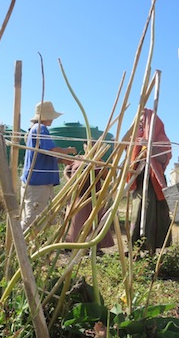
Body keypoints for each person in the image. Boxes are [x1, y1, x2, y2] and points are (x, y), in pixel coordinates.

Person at [20, 101, 76, 230]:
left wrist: (62, 161)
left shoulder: (34, 129)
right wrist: (68, 151)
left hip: (36, 182)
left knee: (39, 218)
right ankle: (19, 247)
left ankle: (29, 247)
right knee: (32, 220)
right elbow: (51, 150)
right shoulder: (40, 128)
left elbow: (44, 155)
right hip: (38, 184)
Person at [128, 108, 172, 254]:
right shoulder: (136, 137)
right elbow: (130, 157)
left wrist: (150, 146)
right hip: (139, 180)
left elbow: (164, 158)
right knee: (137, 211)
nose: (140, 124)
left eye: (143, 122)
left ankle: (150, 249)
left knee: (151, 214)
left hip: (154, 183)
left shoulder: (161, 138)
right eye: (139, 122)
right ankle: (134, 248)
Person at [63, 141, 114, 250]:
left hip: (94, 195)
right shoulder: (78, 158)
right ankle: (70, 244)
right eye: (88, 145)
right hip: (78, 195)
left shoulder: (99, 161)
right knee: (76, 220)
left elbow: (107, 177)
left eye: (93, 145)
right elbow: (66, 171)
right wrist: (71, 183)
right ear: (84, 146)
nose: (90, 147)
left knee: (96, 220)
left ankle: (95, 247)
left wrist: (100, 164)